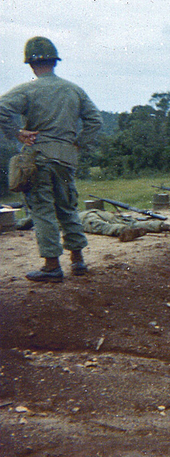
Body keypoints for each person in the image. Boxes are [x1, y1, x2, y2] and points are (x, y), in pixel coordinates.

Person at [0, 37, 102, 282]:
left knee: (43, 211)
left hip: (39, 158)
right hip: (67, 159)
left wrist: (17, 133)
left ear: (32, 65)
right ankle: (78, 262)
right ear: (54, 61)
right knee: (68, 207)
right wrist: (78, 144)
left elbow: (1, 109)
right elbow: (95, 121)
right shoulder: (74, 89)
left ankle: (51, 266)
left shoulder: (27, 90)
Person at [79, 209, 170, 242]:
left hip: (85, 217)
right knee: (133, 222)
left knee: (104, 227)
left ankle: (124, 231)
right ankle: (166, 226)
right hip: (101, 212)